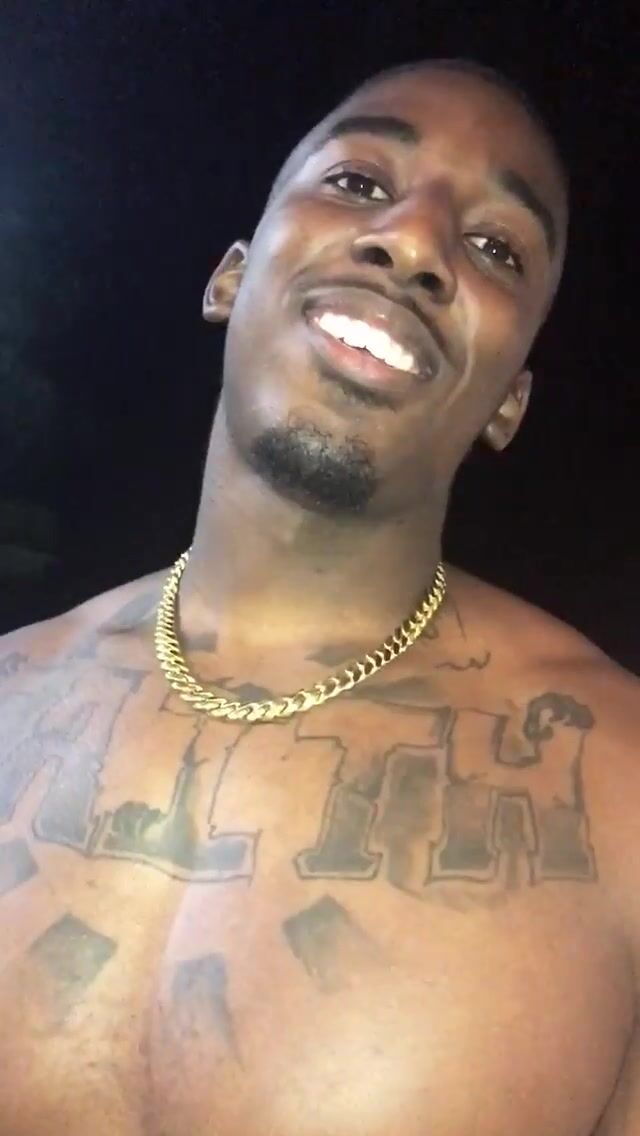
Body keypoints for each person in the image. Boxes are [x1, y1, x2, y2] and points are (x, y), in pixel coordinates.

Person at [0, 57, 638, 1136]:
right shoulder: (13, 693)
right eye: (357, 182)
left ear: (509, 403)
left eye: (496, 248)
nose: (415, 241)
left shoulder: (619, 793)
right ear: (230, 277)